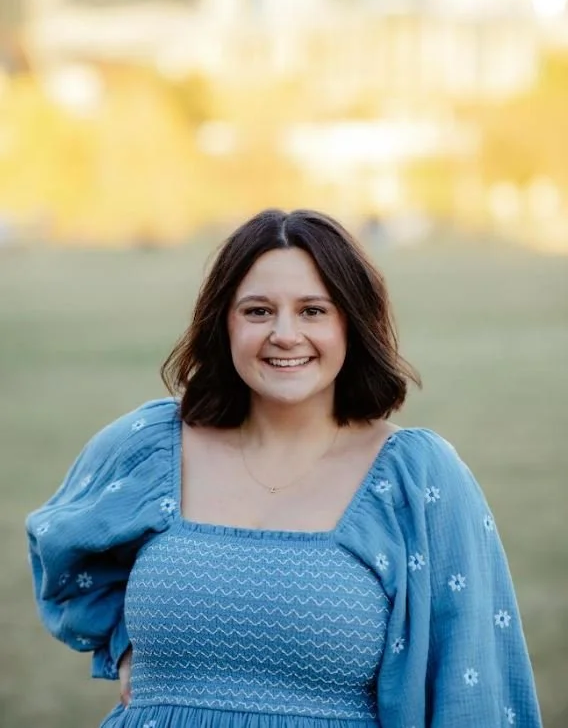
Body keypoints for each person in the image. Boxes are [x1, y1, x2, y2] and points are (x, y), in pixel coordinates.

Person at [26, 208, 542, 728]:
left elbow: (474, 683)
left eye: (313, 310)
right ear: (223, 322)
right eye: (257, 311)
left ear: (352, 323)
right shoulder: (153, 446)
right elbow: (60, 552)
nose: (285, 334)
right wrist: (123, 643)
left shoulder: (416, 476)